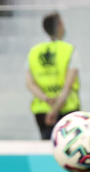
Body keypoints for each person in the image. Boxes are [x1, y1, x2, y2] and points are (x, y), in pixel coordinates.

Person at [26, 11, 80, 140]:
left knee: (48, 150)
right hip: (67, 108)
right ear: (59, 27)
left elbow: (29, 83)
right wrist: (55, 108)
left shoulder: (34, 51)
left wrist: (46, 99)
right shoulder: (70, 50)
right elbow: (68, 85)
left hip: (42, 109)